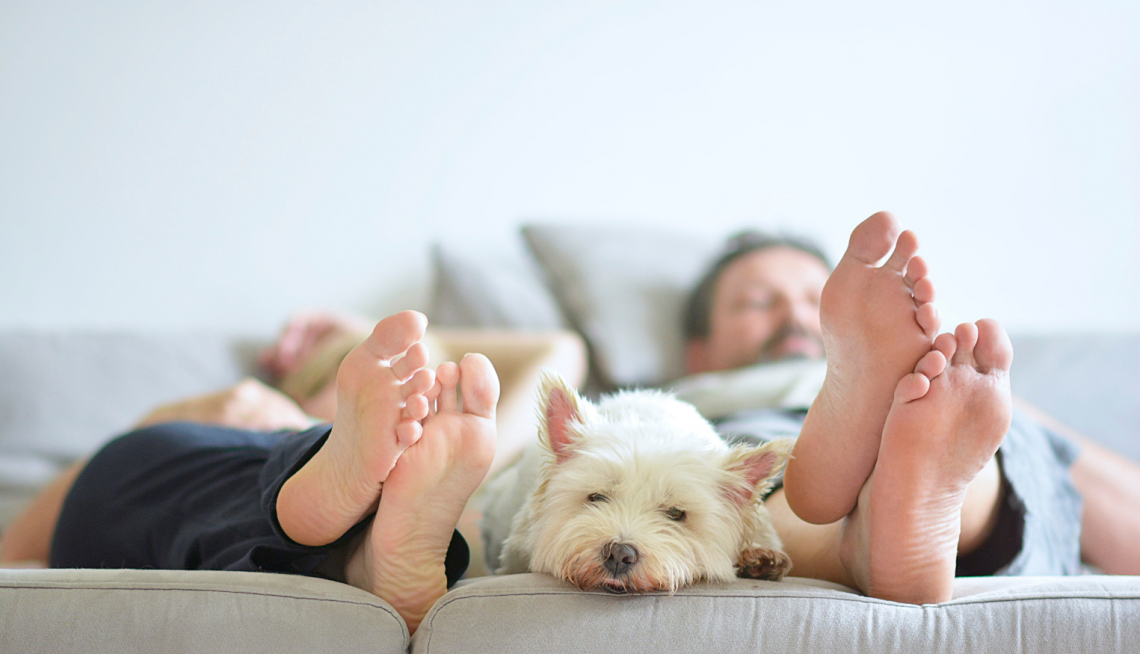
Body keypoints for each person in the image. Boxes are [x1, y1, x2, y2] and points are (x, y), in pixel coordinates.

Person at [1, 212, 1135, 628]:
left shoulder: (947, 376)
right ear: (697, 348)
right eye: (760, 301)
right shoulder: (620, 395)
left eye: (809, 303)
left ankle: (883, 468)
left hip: (812, 436)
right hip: (713, 451)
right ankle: (865, 514)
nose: (788, 313)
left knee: (979, 431)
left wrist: (914, 401)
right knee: (728, 490)